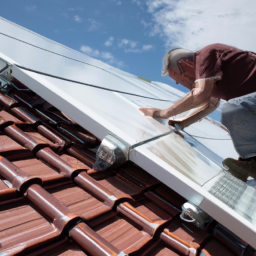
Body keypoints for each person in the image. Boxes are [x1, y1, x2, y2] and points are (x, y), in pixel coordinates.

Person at [139, 44, 256, 182]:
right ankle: (252, 163)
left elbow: (199, 94)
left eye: (178, 77)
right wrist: (183, 123)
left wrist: (162, 114)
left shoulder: (206, 55)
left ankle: (252, 164)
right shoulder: (214, 77)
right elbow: (211, 104)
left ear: (187, 64)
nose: (177, 83)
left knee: (234, 110)